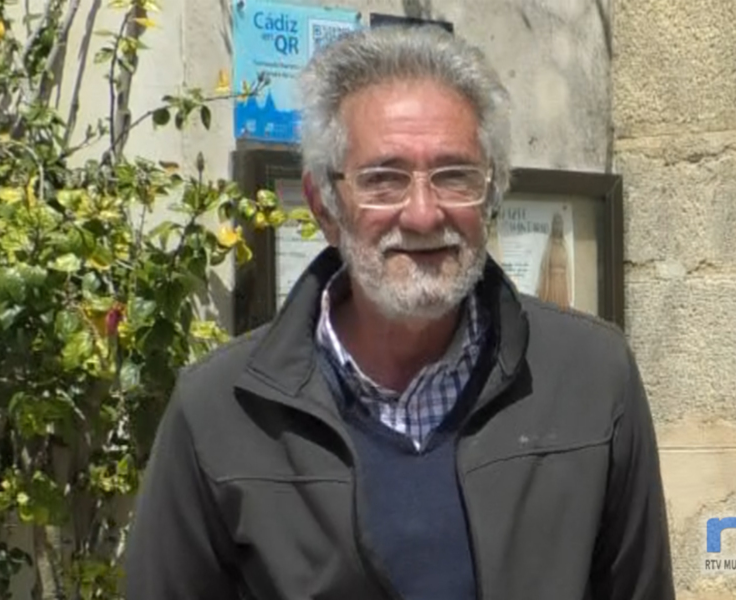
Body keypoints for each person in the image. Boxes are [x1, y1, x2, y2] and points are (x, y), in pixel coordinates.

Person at [125, 25, 675, 600]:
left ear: (491, 195)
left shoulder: (591, 379)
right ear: (324, 206)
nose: (422, 214)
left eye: (454, 176)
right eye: (383, 180)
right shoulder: (220, 411)